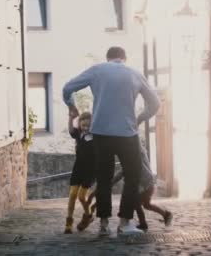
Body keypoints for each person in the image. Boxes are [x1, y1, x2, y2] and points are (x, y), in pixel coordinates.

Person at [63, 46, 160, 236]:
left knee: (104, 178)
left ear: (108, 58)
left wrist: (72, 106)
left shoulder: (97, 70)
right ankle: (125, 223)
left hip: (101, 133)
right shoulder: (134, 73)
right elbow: (155, 103)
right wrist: (140, 118)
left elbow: (67, 88)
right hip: (127, 133)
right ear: (124, 58)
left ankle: (104, 225)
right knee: (132, 176)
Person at [85, 141, 173, 232]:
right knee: (146, 205)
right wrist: (111, 183)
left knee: (136, 203)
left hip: (145, 183)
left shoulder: (135, 156)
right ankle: (165, 214)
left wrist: (110, 183)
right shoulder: (138, 155)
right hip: (148, 183)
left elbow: (124, 172)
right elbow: (123, 172)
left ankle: (144, 223)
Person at [64, 111, 96, 234]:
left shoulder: (96, 136)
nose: (86, 128)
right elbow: (71, 130)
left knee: (82, 196)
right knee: (72, 195)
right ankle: (69, 222)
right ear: (80, 125)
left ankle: (88, 215)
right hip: (78, 168)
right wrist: (71, 118)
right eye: (83, 126)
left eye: (88, 126)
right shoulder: (78, 134)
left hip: (90, 170)